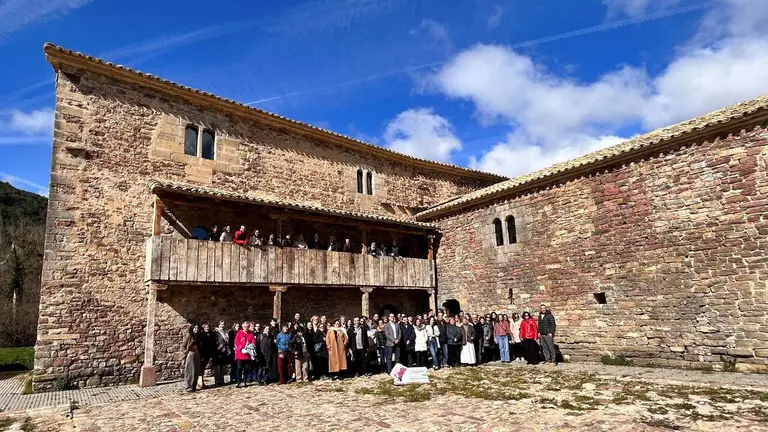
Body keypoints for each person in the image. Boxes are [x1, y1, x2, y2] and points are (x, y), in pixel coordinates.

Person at [234, 321, 256, 388]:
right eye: (245, 327)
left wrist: (250, 347)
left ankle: (245, 381)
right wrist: (241, 349)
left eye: (247, 327)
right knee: (239, 368)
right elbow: (236, 342)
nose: (246, 328)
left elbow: (253, 343)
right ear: (243, 326)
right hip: (240, 354)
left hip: (247, 355)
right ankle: (238, 382)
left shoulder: (251, 334)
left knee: (246, 369)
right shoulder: (239, 333)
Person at [182, 324, 201, 392]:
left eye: (197, 328)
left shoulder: (198, 336)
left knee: (196, 370)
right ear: (192, 329)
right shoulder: (189, 335)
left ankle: (193, 386)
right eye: (195, 328)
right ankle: (188, 386)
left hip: (197, 353)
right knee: (190, 370)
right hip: (191, 353)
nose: (196, 329)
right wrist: (185, 352)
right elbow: (183, 345)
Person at [196, 323, 214, 389]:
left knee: (203, 368)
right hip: (202, 354)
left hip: (208, 354)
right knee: (200, 368)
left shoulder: (210, 334)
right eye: (205, 327)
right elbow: (201, 346)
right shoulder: (201, 335)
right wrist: (201, 355)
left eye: (208, 327)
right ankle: (200, 383)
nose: (207, 328)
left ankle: (202, 382)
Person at [213, 321, 230, 386]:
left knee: (223, 366)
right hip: (218, 351)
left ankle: (222, 380)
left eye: (223, 324)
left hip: (224, 351)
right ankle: (217, 381)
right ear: (219, 325)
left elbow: (226, 341)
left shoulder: (225, 332)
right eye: (221, 324)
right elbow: (215, 341)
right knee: (217, 367)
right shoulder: (216, 332)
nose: (222, 326)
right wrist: (219, 347)